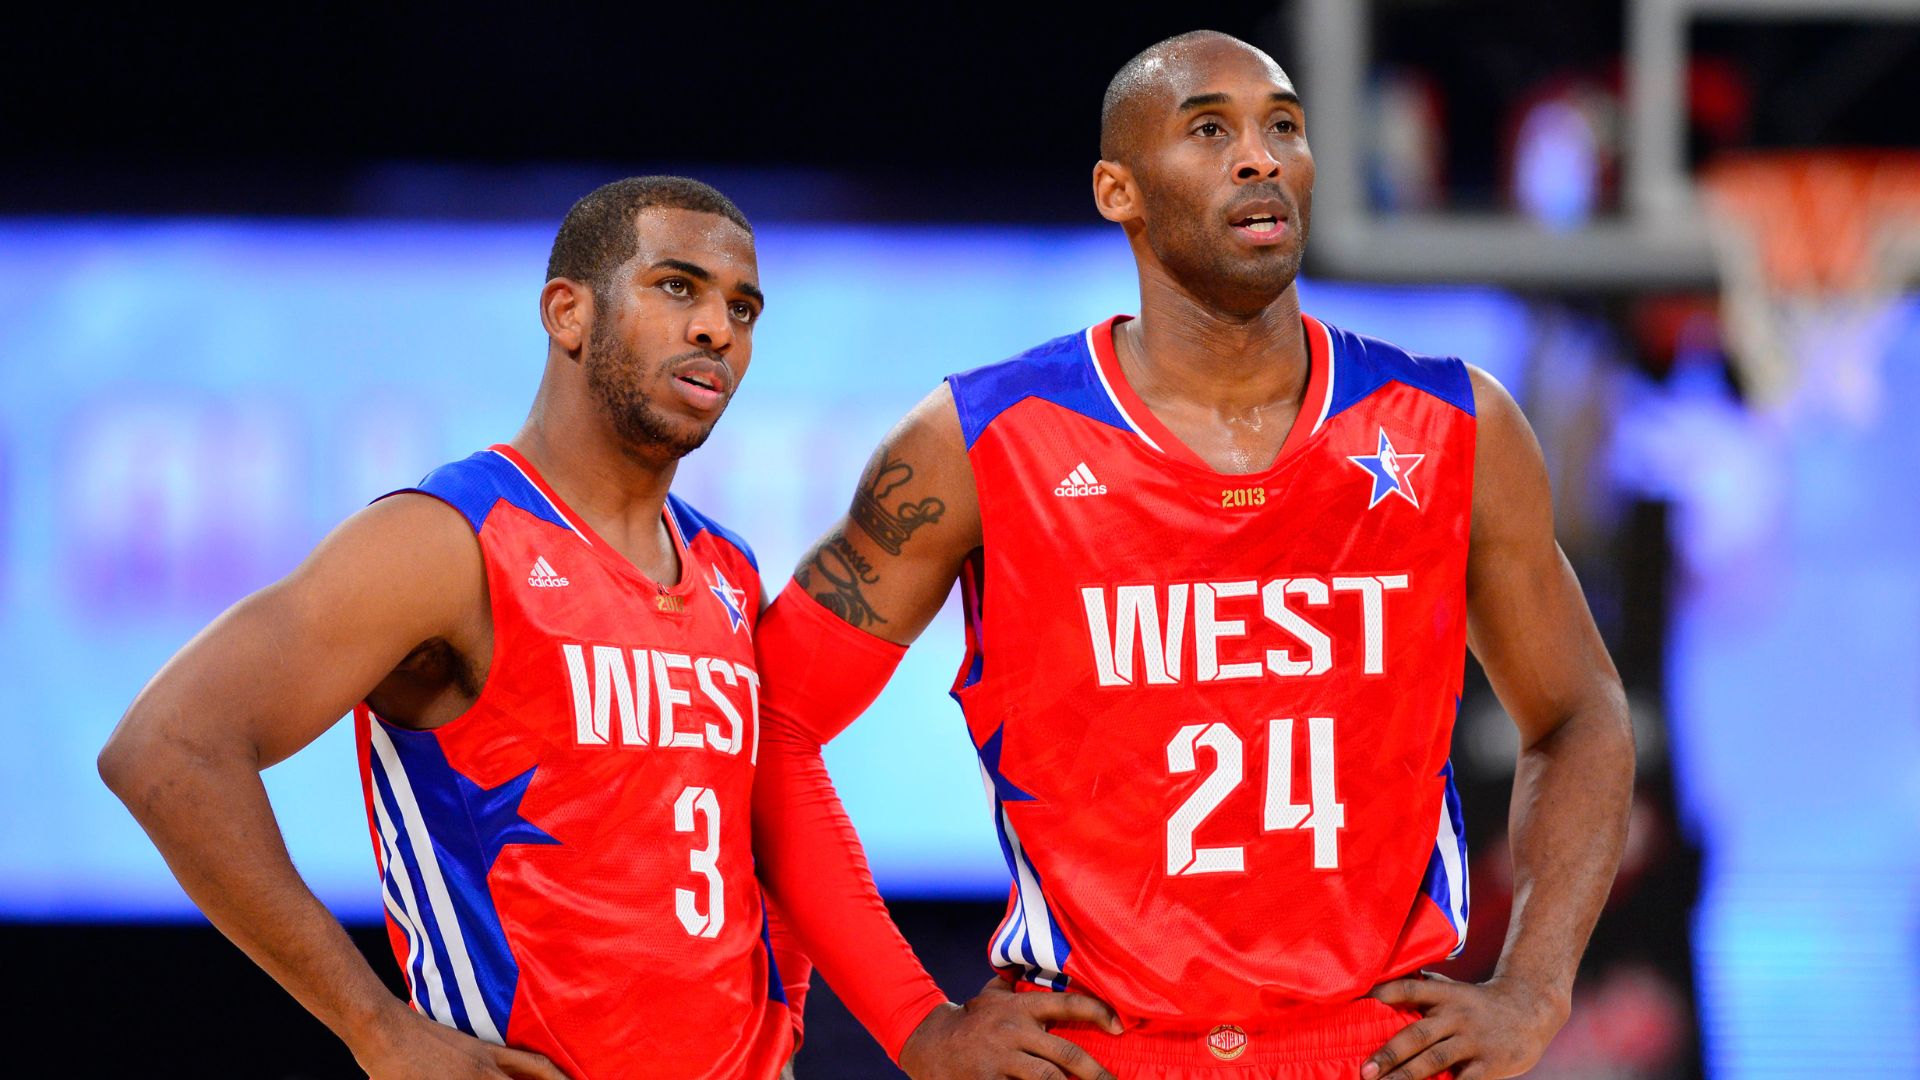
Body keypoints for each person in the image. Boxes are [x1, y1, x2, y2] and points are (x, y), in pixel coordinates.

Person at [750, 30, 1636, 1080]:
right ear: (1117, 190)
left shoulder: (1455, 423)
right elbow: (769, 722)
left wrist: (1534, 986)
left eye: (1284, 127)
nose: (1260, 156)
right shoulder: (983, 438)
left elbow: (1580, 714)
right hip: (1101, 1054)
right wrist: (914, 1022)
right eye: (1210, 130)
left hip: (1370, 1048)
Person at [99, 176, 805, 1080]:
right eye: (677, 287)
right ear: (567, 313)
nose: (718, 329)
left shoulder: (730, 568)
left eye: (742, 308)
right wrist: (375, 1028)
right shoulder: (445, 540)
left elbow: (756, 852)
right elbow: (165, 750)